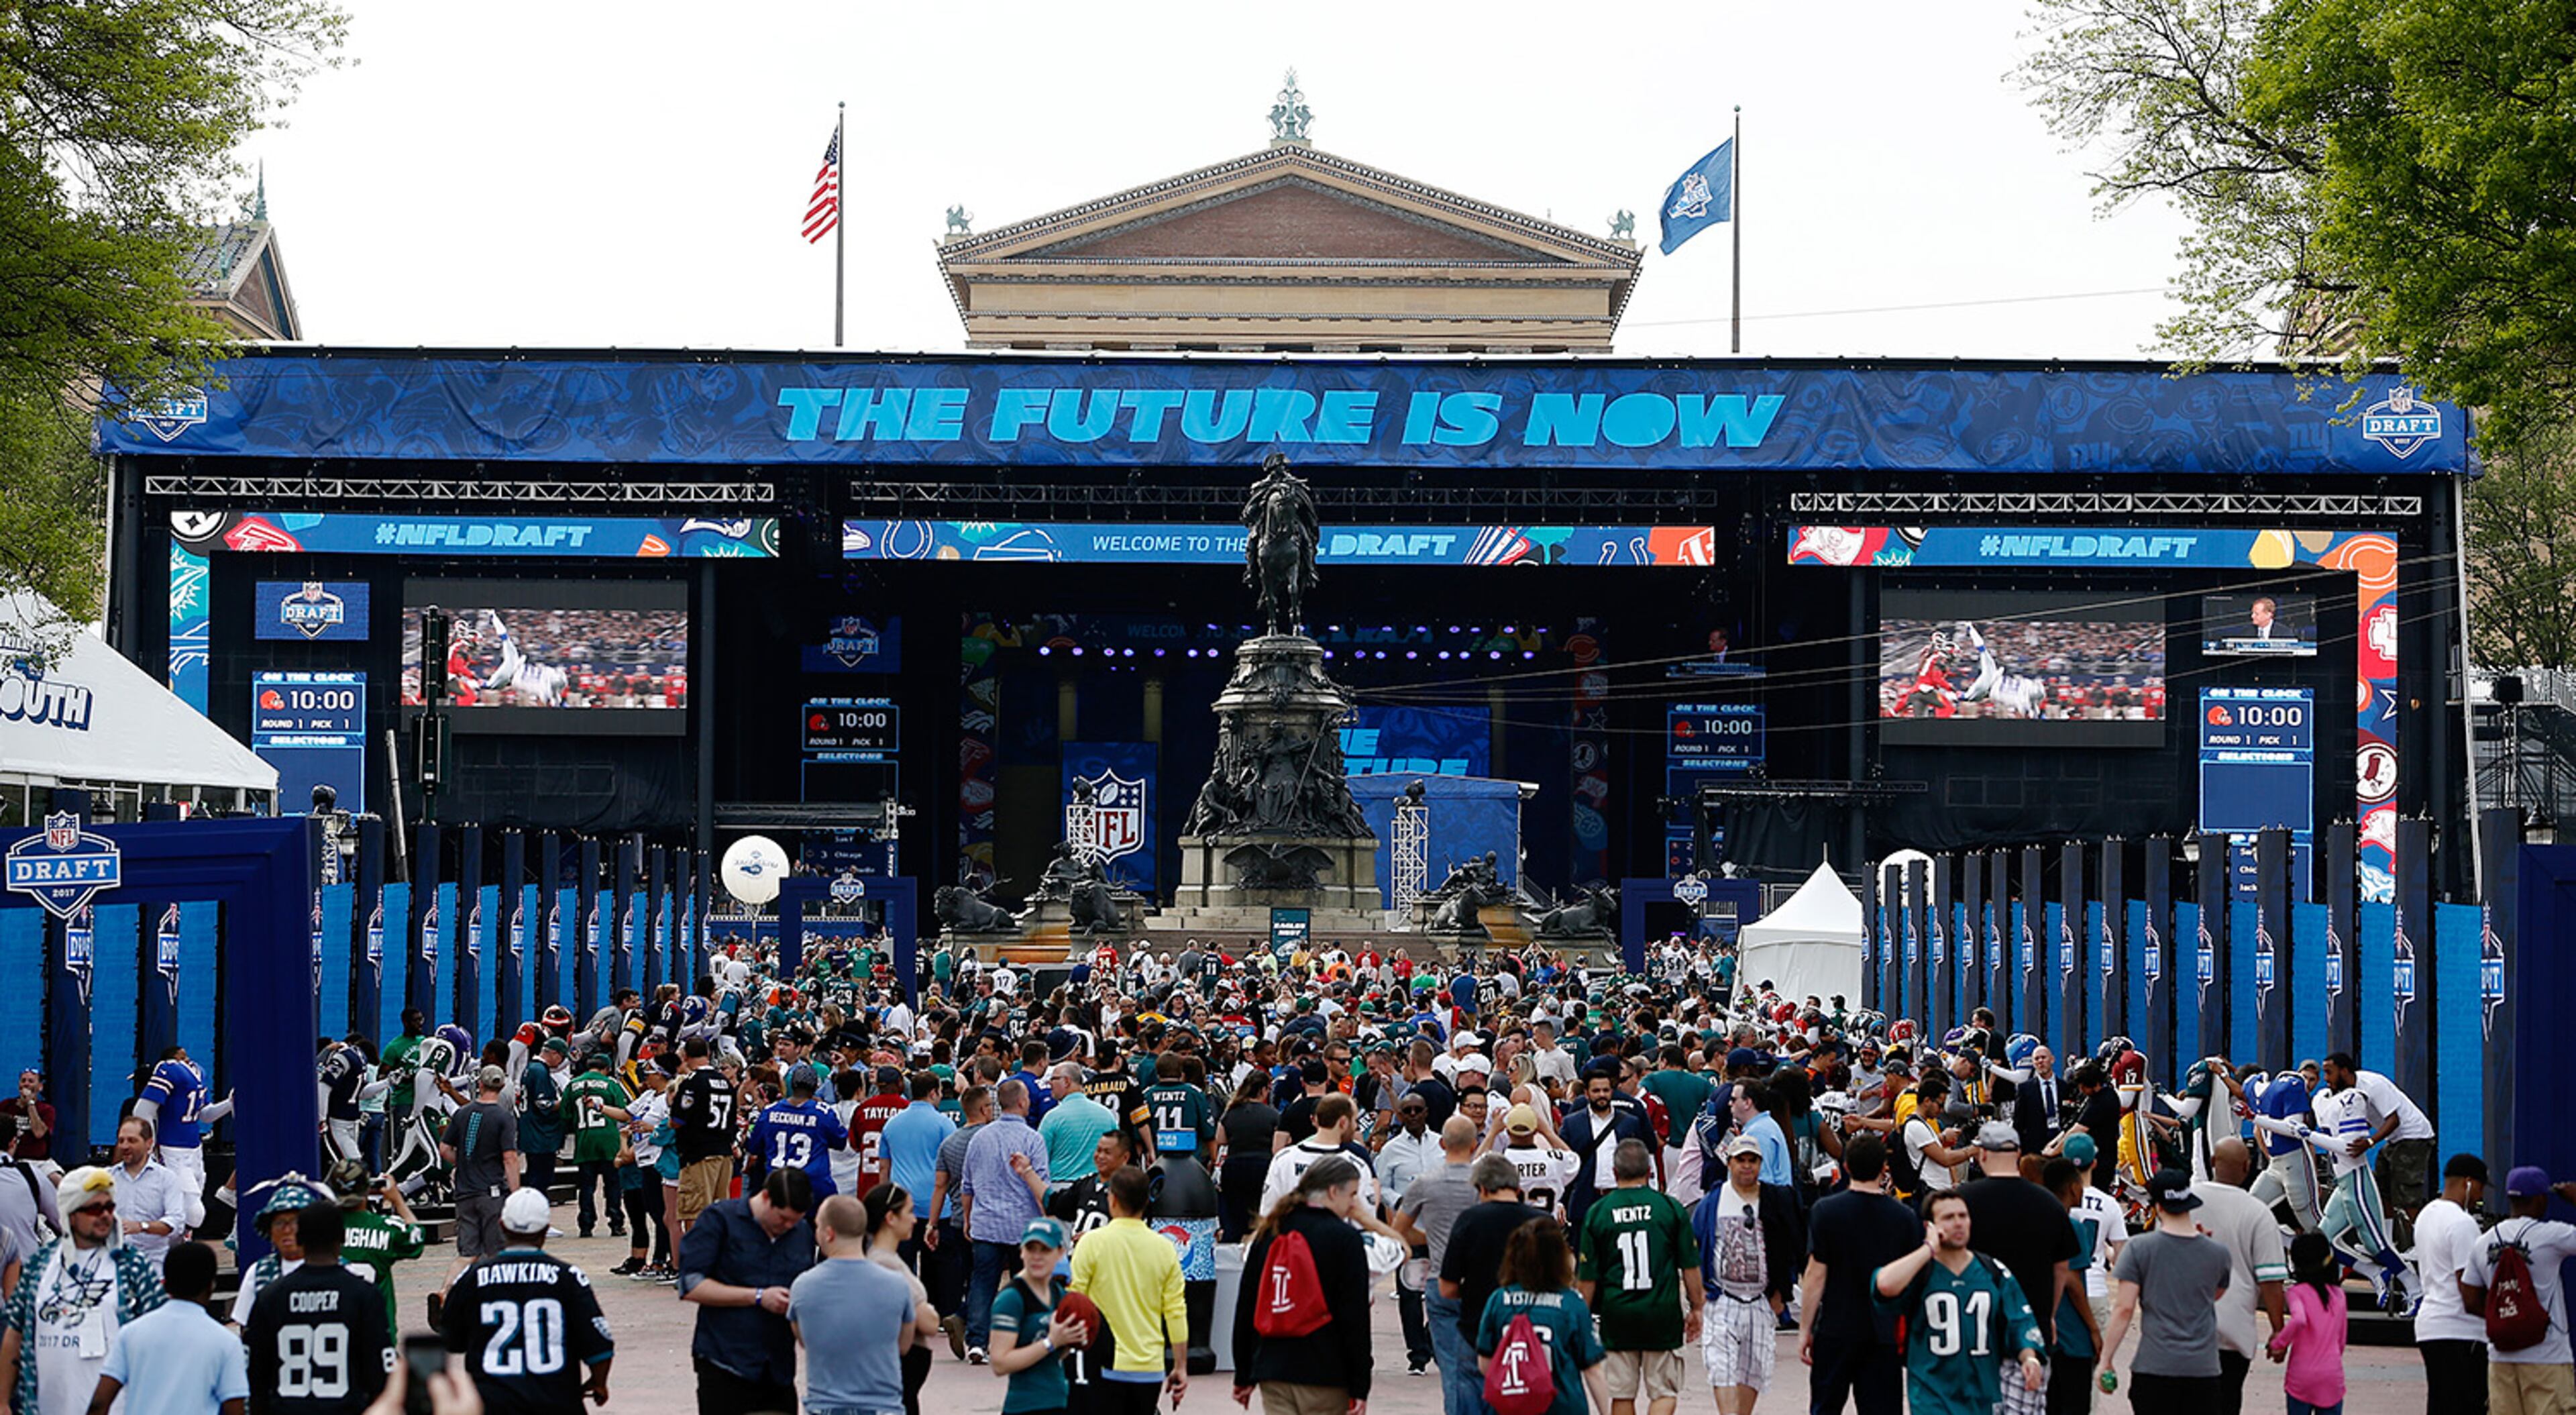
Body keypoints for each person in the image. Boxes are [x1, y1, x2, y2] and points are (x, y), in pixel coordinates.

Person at [1, 1166, 169, 1415]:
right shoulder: (40, 1265)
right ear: (70, 1213)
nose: (104, 1216)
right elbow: (15, 1332)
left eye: (109, 1207)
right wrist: (3, 1401)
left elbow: (159, 1337)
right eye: (93, 1209)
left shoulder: (131, 1265)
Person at [1870, 1190, 2046, 1415]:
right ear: (1930, 1226)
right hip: (1931, 1397)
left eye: (1963, 1216)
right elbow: (1884, 1285)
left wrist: (2029, 1358)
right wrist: (1928, 1248)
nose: (1958, 1223)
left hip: (1982, 1397)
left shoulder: (1992, 1272)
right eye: (1948, 1218)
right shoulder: (1920, 1271)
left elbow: (2019, 1322)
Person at [441, 1186, 612, 1414]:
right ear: (545, 1229)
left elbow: (452, 1339)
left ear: (502, 1226)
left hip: (492, 1404)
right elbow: (600, 1347)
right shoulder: (568, 1278)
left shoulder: (473, 1277)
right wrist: (598, 1382)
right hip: (556, 1402)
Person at [1232, 1154, 1373, 1415]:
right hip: (1326, 1372)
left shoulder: (1269, 1231)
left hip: (1274, 1370)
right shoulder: (1345, 1239)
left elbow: (1247, 1305)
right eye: (1352, 1194)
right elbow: (1354, 1317)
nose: (1354, 1204)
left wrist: (1243, 1374)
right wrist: (1360, 1386)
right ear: (1333, 1191)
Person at [1799, 1135, 1928, 1415]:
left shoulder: (1826, 1211)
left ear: (1846, 1166)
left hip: (1836, 1326)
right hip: (1883, 1332)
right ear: (1884, 1167)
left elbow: (1815, 1275)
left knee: (1825, 1406)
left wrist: (1805, 1328)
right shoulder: (1903, 1217)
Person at [1956, 1122, 2080, 1415]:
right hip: (2030, 1331)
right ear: (2019, 1154)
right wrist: (2049, 1313)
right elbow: (2061, 1267)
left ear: (1982, 1155)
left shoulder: (1962, 1202)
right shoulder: (2049, 1204)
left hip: (1974, 1332)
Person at [1574, 1140, 1702, 1415]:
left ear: (1615, 1171)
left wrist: (1580, 1317)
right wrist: (1697, 1307)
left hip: (1617, 1313)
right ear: (1649, 1171)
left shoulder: (1598, 1213)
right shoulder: (1669, 1209)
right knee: (1664, 1391)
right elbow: (1690, 1266)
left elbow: (1587, 1278)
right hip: (1662, 1312)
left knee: (1621, 1394)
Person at [677, 1166, 818, 1414]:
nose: (787, 1226)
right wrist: (758, 1297)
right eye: (783, 1218)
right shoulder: (720, 1220)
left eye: (794, 1222)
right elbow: (691, 1285)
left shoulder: (801, 1232)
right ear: (765, 1198)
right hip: (725, 1360)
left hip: (778, 1367)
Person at [2098, 1170, 2234, 1413]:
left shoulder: (2140, 1249)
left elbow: (2124, 1308)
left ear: (2158, 1207)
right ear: (2189, 1204)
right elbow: (2215, 1294)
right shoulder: (2218, 1253)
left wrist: (2106, 1359)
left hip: (2155, 1366)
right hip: (2203, 1368)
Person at [246, 1203, 390, 1415]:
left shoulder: (271, 1296)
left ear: (300, 1237)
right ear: (343, 1236)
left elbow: (256, 1377)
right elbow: (379, 1374)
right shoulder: (364, 1294)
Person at [1693, 1135, 1802, 1415]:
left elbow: (1790, 1246)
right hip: (1722, 1299)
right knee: (1721, 1367)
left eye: (1752, 1160)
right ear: (1729, 1163)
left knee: (1753, 1370)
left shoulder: (1775, 1201)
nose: (1746, 1166)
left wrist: (1781, 1293)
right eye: (1740, 1160)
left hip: (1760, 1301)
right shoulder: (1713, 1202)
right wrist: (1699, 1295)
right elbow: (1696, 1246)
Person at [1069, 1165, 1187, 1415]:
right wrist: (1180, 1365)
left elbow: (1075, 1301)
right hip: (1149, 1366)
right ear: (1146, 1201)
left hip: (1102, 1362)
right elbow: (1176, 1311)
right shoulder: (1165, 1249)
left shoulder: (1091, 1243)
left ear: (1112, 1199)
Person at [2459, 1165, 2576, 1415]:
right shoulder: (2552, 1236)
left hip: (2501, 1356)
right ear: (2541, 1199)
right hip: (2548, 1355)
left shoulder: (2484, 1241)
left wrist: (2508, 1320)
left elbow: (2469, 1298)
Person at [787, 1193, 916, 1415]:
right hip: (883, 1406)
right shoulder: (897, 1285)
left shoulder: (803, 1286)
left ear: (828, 1234)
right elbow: (903, 1345)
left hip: (825, 1406)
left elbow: (805, 1340)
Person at [87, 1241, 244, 1415]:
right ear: (211, 1286)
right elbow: (235, 1408)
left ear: (165, 1284)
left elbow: (99, 1403)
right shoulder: (226, 1343)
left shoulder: (131, 1334)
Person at [1396, 1116, 1487, 1412]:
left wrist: (1429, 1236)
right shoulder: (1484, 1184)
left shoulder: (1426, 1182)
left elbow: (1399, 1230)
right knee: (1483, 1361)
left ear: (1442, 1144)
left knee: (1451, 1365)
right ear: (1474, 1144)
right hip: (1479, 1282)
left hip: (1439, 1277)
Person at [1475, 1217, 1608, 1415]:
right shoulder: (1572, 1303)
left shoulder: (1500, 1299)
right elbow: (1593, 1369)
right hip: (1562, 1404)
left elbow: (1485, 1363)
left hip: (1512, 1406)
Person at [961, 1079, 1051, 1363]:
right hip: (1024, 1224)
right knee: (1026, 1283)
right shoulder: (1033, 1139)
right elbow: (1041, 1185)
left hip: (986, 1221)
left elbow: (967, 1184)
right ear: (1023, 1103)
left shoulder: (980, 1137)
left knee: (982, 1282)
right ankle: (1025, 1338)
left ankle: (977, 1341)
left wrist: (967, 1219)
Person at [2197, 1139, 2288, 1415]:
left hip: (2185, 1328)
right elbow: (2270, 1281)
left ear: (2213, 1162)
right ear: (2247, 1167)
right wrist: (2277, 1330)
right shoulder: (2258, 1212)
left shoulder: (2186, 1200)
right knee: (2227, 1400)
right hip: (2234, 1332)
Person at [436, 1065, 522, 1312]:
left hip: (465, 1192)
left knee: (467, 1252)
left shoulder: (463, 1114)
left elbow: (444, 1149)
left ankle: (445, 1293)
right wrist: (515, 1194)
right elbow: (510, 1158)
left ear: (480, 1085)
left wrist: (462, 1163)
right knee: (496, 1252)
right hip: (492, 1193)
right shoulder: (504, 1118)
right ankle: (494, 1302)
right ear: (502, 1086)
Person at [2412, 1153, 2492, 1415]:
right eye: (2480, 1188)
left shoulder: (2426, 1215)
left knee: (2441, 1402)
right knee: (2467, 1404)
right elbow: (2468, 1287)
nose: (2480, 1196)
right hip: (2461, 1329)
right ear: (2468, 1183)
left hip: (2430, 1325)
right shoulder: (2463, 1223)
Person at [987, 1217, 1087, 1415]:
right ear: (1022, 1252)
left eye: (1045, 1250)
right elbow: (999, 1363)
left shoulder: (1059, 1295)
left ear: (1060, 1253)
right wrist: (1050, 1342)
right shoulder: (1011, 1298)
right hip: (1025, 1405)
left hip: (1059, 1400)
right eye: (1031, 1249)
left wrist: (1071, 1340)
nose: (1037, 1256)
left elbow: (1055, 1355)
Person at [861, 1185, 943, 1415]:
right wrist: (926, 1310)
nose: (915, 1220)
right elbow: (929, 1322)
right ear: (891, 1218)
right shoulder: (885, 1264)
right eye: (909, 1212)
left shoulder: (888, 1260)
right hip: (897, 1369)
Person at [1376, 1093, 1442, 1378]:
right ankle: (1417, 1354)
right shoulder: (1391, 1150)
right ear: (1400, 1115)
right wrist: (1399, 1201)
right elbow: (1381, 1186)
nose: (1413, 1115)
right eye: (1407, 1111)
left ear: (1426, 1112)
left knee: (1444, 1294)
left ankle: (1431, 1341)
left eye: (1418, 1110)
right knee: (1410, 1294)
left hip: (1440, 1232)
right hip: (1410, 1234)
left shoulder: (1441, 1143)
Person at [1558, 1067, 1655, 1232]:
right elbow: (1563, 1165)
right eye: (1596, 1091)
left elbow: (1643, 1158)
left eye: (1606, 1090)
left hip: (1622, 1199)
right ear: (1587, 1094)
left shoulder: (1630, 1123)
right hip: (1586, 1199)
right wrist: (1561, 1201)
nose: (1602, 1095)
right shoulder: (1572, 1124)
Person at [2268, 1231, 2348, 1415]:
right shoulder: (2339, 1296)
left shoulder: (2297, 1293)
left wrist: (2278, 1343)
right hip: (2331, 1374)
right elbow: (2341, 1340)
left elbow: (2299, 1319)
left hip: (2301, 1375)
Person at [669, 1039, 740, 1241]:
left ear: (685, 1056)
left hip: (699, 1154)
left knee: (695, 1210)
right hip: (724, 1153)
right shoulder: (724, 1082)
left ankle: (698, 1260)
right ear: (708, 1054)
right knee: (719, 1212)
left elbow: (677, 1120)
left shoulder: (692, 1082)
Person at [104, 1116, 189, 1273]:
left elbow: (176, 1223)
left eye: (132, 1141)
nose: (125, 1146)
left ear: (149, 1143)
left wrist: (142, 1227)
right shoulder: (105, 1178)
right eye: (121, 1141)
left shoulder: (166, 1178)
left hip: (153, 1270)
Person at [559, 1049, 630, 1240]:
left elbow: (565, 1115)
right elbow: (622, 1111)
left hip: (585, 1139)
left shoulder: (572, 1085)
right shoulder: (611, 1084)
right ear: (606, 1069)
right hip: (609, 1140)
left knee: (587, 1186)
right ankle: (616, 1223)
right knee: (613, 1184)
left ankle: (586, 1225)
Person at [746, 1069, 848, 1198]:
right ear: (815, 1086)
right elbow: (840, 1142)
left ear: (792, 1085)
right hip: (813, 1186)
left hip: (778, 1185)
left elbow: (754, 1147)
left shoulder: (769, 1112)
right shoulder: (824, 1113)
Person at [1216, 1072, 1281, 1241]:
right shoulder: (1272, 1114)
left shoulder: (1231, 1112)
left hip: (1234, 1166)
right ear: (1264, 1090)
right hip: (1262, 1165)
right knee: (1262, 1211)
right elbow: (1277, 1145)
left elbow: (1220, 1139)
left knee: (1234, 1214)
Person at [1498, 1105, 1578, 1220]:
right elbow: (1573, 1160)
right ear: (1535, 1131)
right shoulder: (1552, 1160)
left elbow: (1474, 1167)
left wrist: (1493, 1132)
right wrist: (1547, 1132)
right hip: (1546, 1229)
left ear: (1508, 1131)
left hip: (1512, 1230)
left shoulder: (1499, 1162)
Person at [514, 1037, 566, 1200]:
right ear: (555, 1054)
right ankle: (534, 1212)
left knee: (535, 1176)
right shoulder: (540, 1071)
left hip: (531, 1132)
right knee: (540, 1179)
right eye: (562, 1058)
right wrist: (566, 1102)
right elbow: (543, 1103)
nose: (561, 1063)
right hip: (540, 1135)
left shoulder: (531, 1068)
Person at [0, 1072, 55, 1169]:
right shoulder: (6, 1105)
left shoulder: (47, 1110)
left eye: (31, 1081)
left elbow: (39, 1133)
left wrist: (30, 1104)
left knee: (57, 1179)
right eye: (23, 1081)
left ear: (40, 1087)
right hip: (10, 1159)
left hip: (38, 1162)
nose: (26, 1084)